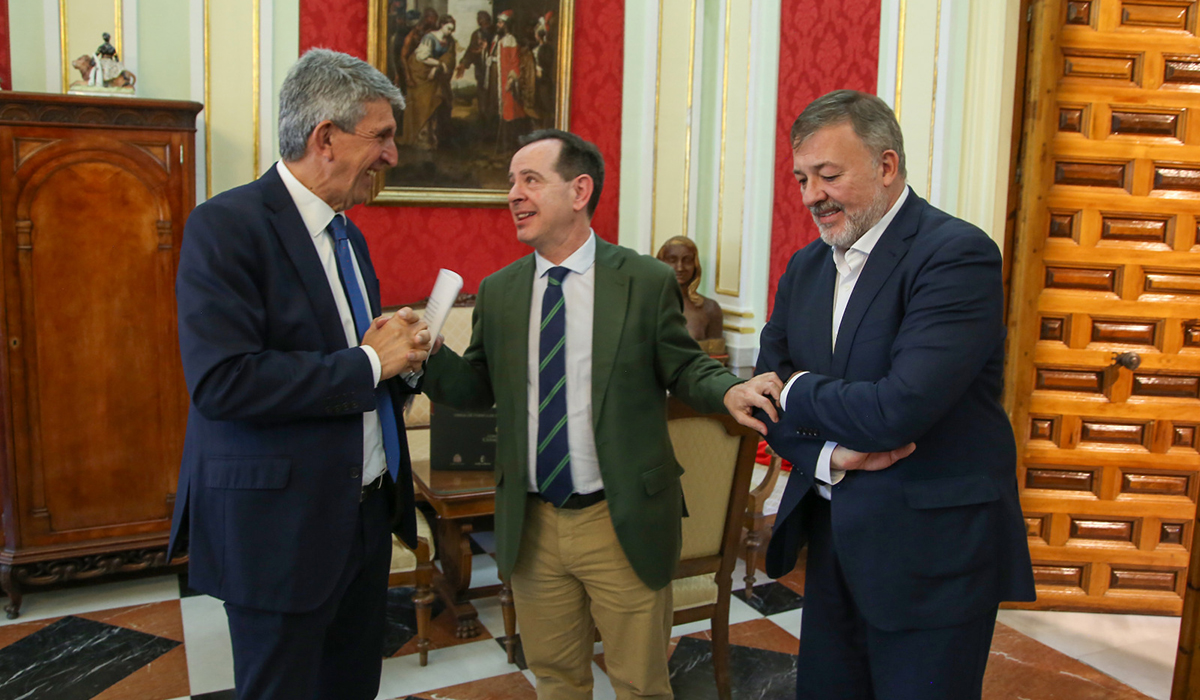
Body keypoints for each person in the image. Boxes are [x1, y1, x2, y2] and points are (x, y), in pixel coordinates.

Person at [423, 129, 781, 700]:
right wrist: (426, 355)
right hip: (532, 522)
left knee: (641, 684)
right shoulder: (500, 291)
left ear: (579, 190)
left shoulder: (644, 280)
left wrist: (728, 392)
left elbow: (685, 365)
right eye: (511, 182)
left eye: (530, 180)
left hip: (619, 518)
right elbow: (474, 387)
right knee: (556, 680)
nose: (513, 194)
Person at [167, 49, 432, 700]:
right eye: (382, 136)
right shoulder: (226, 226)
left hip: (364, 519)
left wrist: (400, 357)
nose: (392, 155)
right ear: (326, 138)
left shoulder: (350, 237)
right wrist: (370, 361)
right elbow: (225, 381)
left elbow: (355, 363)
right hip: (278, 531)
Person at [756, 89, 1036, 700]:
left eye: (828, 175)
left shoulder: (955, 255)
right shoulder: (805, 267)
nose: (810, 195)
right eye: (802, 178)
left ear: (886, 165)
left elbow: (896, 409)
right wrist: (829, 456)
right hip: (832, 544)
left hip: (932, 558)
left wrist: (797, 387)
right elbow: (762, 399)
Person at [655, 235, 725, 355]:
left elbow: (716, 357)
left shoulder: (710, 308)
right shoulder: (646, 304)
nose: (680, 267)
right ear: (661, 262)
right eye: (672, 260)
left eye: (687, 260)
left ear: (695, 265)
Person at [401, 14, 457, 150]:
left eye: (452, 29)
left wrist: (437, 67)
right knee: (423, 104)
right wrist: (439, 64)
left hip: (433, 73)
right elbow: (421, 57)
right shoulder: (430, 38)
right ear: (441, 25)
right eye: (448, 28)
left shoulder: (449, 40)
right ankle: (420, 139)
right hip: (419, 71)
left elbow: (449, 57)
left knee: (435, 103)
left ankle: (433, 139)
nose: (450, 32)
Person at [456, 11, 496, 129]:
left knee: (493, 96)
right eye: (480, 19)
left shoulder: (495, 33)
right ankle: (483, 121)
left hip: (494, 72)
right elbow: (471, 51)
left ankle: (493, 123)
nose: (481, 22)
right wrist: (464, 63)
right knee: (482, 95)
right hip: (481, 71)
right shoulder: (476, 34)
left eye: (483, 19)